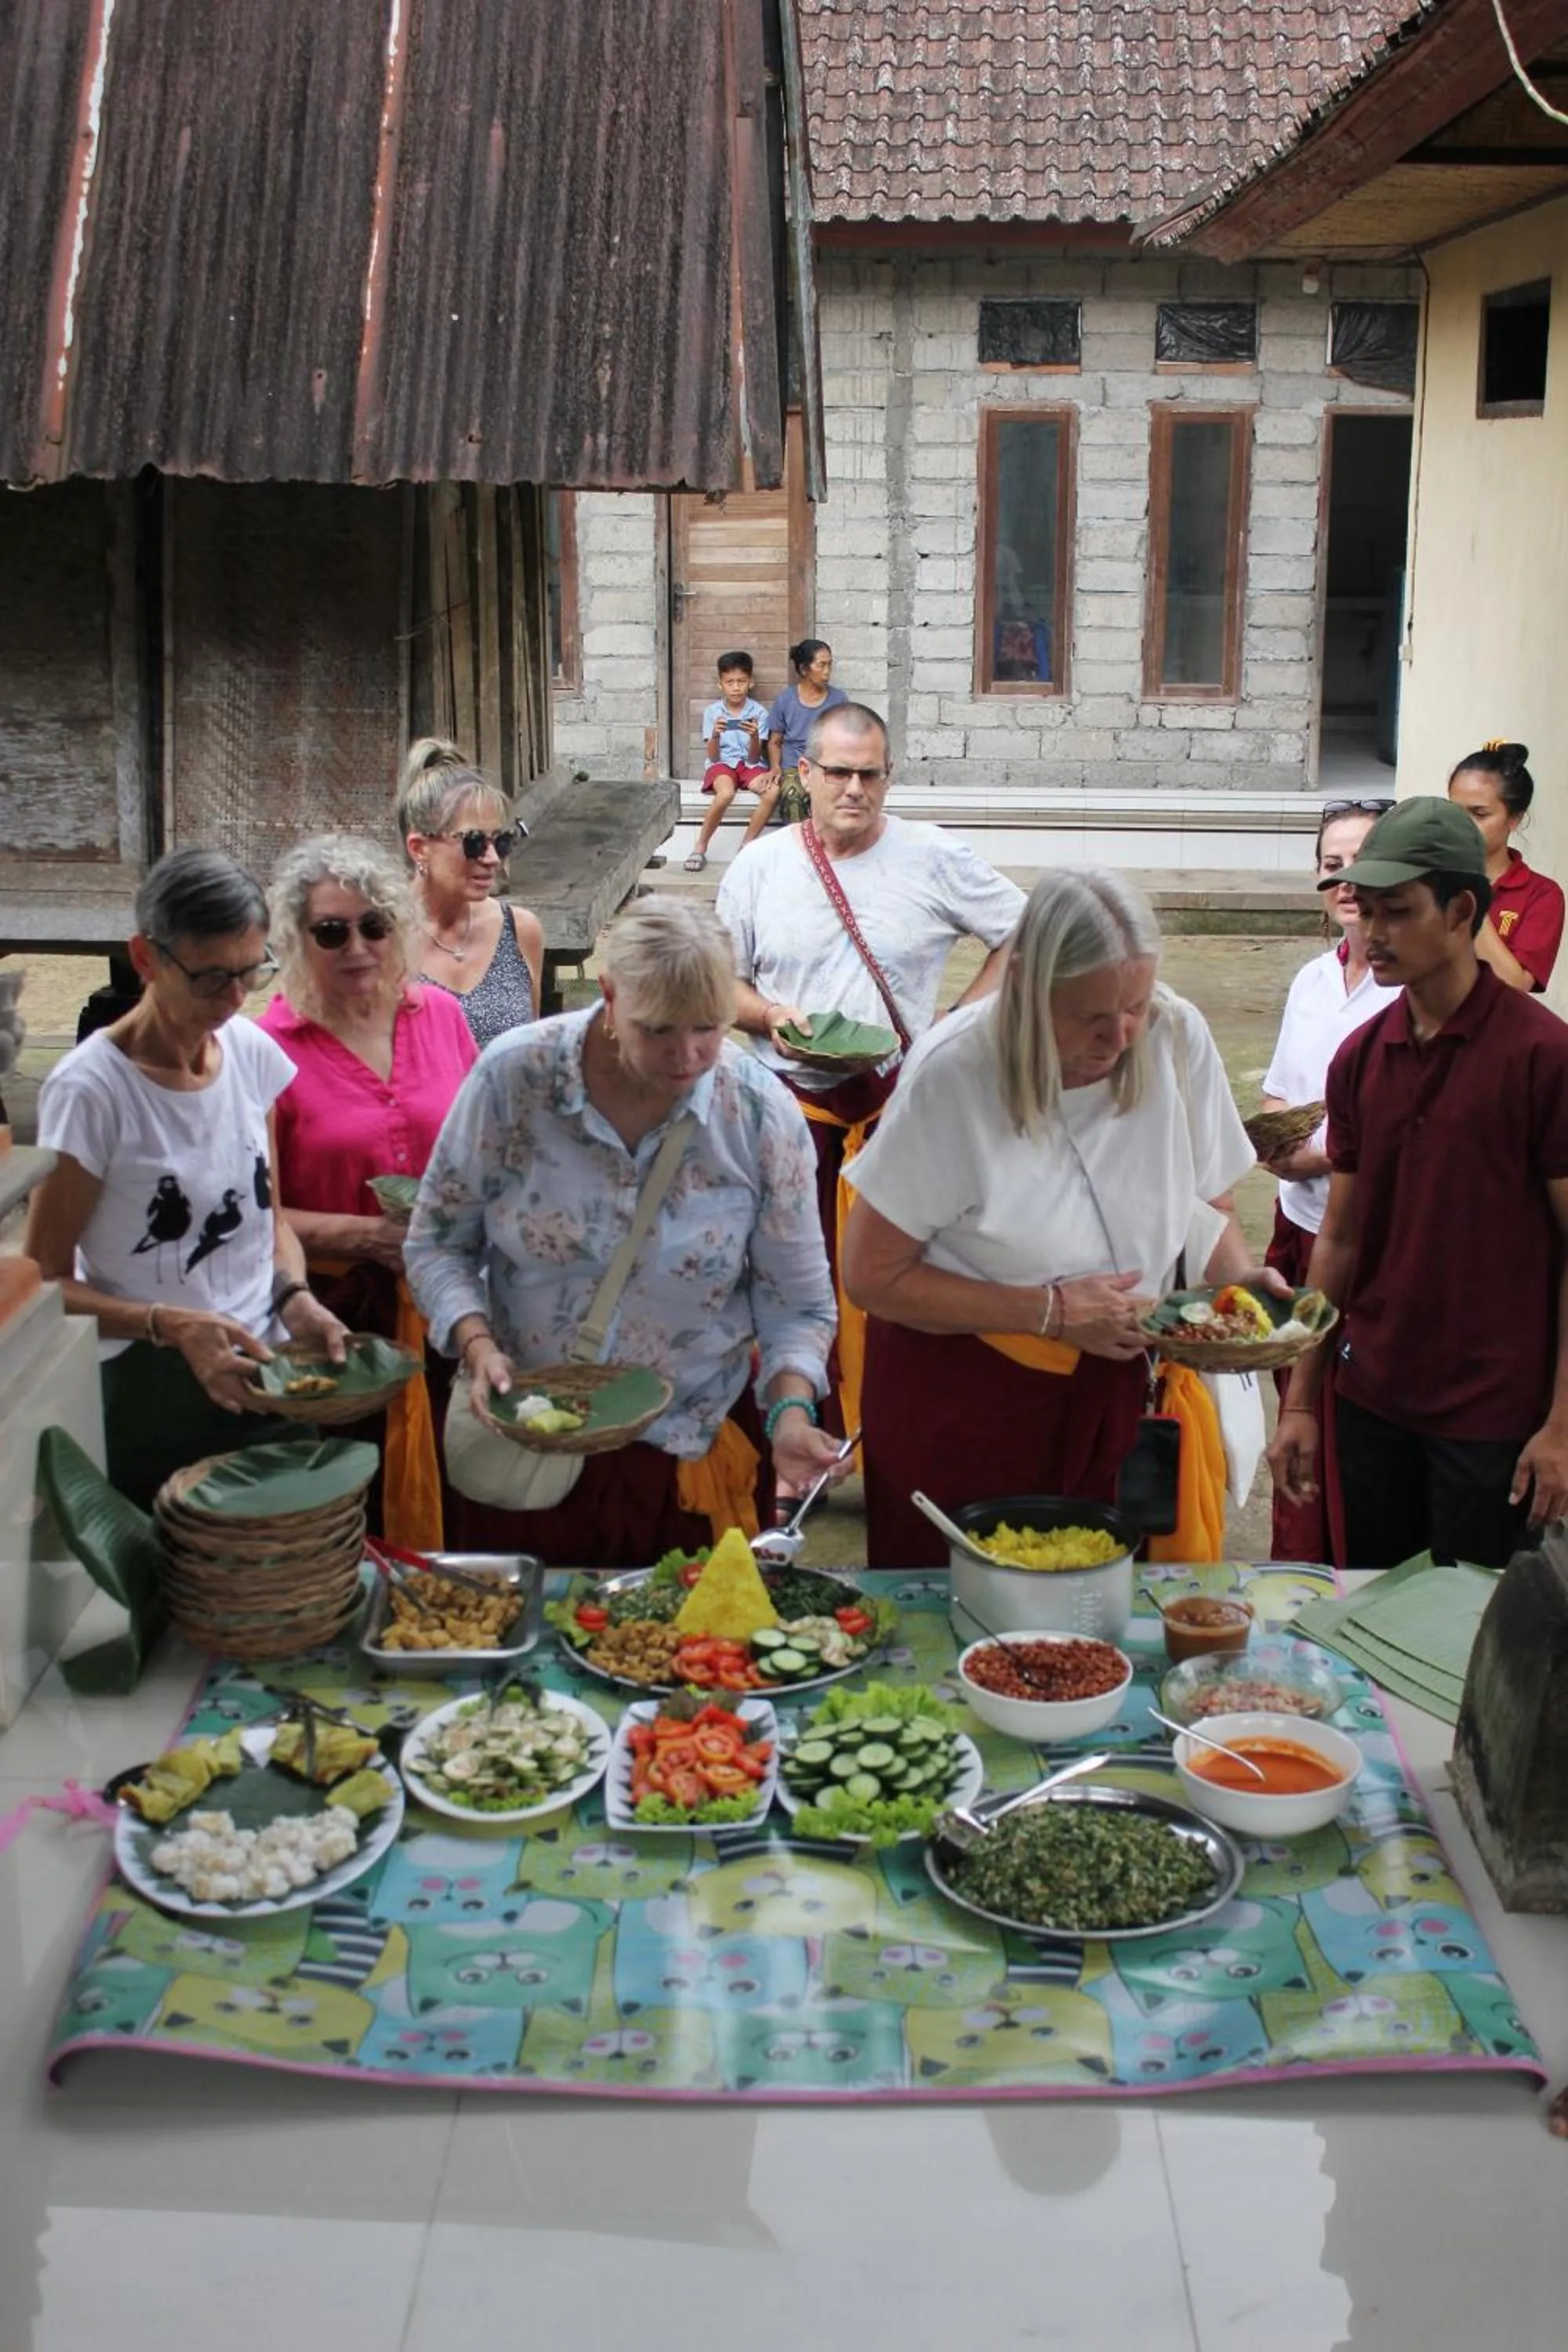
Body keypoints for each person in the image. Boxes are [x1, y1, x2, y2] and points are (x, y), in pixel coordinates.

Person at [404, 898, 845, 1566]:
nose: (689, 1055)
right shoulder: (515, 1077)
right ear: (609, 995)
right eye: (660, 1030)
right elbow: (438, 1240)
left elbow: (799, 1304)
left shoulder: (757, 1111)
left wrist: (791, 1414)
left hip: (686, 1457)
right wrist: (476, 1343)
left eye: (709, 1027)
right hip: (528, 1451)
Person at [840, 869, 1260, 1569]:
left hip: (1125, 1383)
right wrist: (1050, 1312)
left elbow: (1208, 1200)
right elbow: (871, 1276)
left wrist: (1244, 1291)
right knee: (974, 1616)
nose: (1120, 1036)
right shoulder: (955, 1070)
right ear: (1029, 986)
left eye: (1135, 1005)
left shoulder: (1174, 1031)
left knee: (1119, 1615)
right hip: (971, 1396)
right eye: (1092, 1015)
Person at [1268, 797, 1568, 1568]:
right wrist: (1301, 1400)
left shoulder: (1540, 1057)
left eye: (1396, 912)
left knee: (1472, 1648)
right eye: (1364, 911)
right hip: (1371, 1396)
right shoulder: (1362, 1058)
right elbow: (1337, 1236)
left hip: (1493, 1412)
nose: (1371, 934)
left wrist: (1559, 1425)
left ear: (1460, 909)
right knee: (1373, 1618)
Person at [717, 700, 1025, 1445]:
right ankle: (800, 1443)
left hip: (900, 1114)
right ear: (804, 775)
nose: (853, 789)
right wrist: (770, 1018)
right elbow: (719, 982)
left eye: (869, 775)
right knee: (790, 1280)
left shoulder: (933, 856)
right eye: (838, 773)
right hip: (791, 1116)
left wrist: (954, 1025)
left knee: (907, 1281)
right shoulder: (760, 867)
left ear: (887, 778)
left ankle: (895, 1439)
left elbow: (1027, 931)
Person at [27, 848, 349, 1511]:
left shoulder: (251, 1051)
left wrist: (294, 1295)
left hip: (268, 1366)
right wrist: (166, 1323)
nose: (233, 999)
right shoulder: (91, 1092)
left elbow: (270, 1219)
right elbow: (43, 1283)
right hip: (153, 1387)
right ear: (145, 958)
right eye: (209, 979)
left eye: (249, 973)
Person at [260, 833, 478, 1548]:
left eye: (374, 926)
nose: (357, 946)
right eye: (331, 931)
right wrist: (361, 1236)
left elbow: (485, 1154)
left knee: (467, 1497)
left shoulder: (441, 1017)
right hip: (332, 1327)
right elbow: (250, 1213)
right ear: (297, 938)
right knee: (349, 1517)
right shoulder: (268, 1049)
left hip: (452, 1308)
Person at [1256, 798, 1399, 1561]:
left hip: (1365, 1236)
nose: (1345, 882)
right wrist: (1277, 1141)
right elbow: (1280, 1090)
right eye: (1330, 866)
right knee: (1294, 1406)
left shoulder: (1402, 988)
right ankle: (1298, 1562)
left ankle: (1349, 1563)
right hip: (1296, 1223)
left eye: (1361, 863)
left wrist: (1312, 1151)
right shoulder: (1313, 979)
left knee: (1347, 1417)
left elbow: (1387, 1125)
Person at [397, 738, 544, 1046]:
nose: (492, 859)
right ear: (419, 848)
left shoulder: (520, 931)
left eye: (502, 842)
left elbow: (528, 1059)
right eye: (474, 842)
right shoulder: (378, 942)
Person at [1446, 741, 1564, 993]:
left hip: (1494, 1028)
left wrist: (1468, 891)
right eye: (1453, 811)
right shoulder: (1422, 874)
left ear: (1515, 818)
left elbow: (1514, 986)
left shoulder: (1541, 894)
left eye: (1479, 814)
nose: (1461, 825)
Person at [684, 651, 773, 871]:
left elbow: (754, 759)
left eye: (741, 681)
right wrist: (715, 734)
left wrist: (754, 737)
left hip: (750, 765)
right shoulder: (713, 712)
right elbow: (713, 757)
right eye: (730, 682)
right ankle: (700, 846)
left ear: (751, 683)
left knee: (772, 793)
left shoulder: (759, 712)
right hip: (722, 765)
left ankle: (746, 848)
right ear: (720, 684)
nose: (736, 687)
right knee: (725, 794)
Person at [764, 639, 848, 825]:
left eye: (830, 665)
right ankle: (800, 847)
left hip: (827, 765)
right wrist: (775, 767)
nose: (827, 672)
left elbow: (845, 739)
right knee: (792, 796)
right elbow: (774, 741)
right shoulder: (786, 700)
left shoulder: (838, 699)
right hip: (794, 767)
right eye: (821, 665)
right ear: (804, 669)